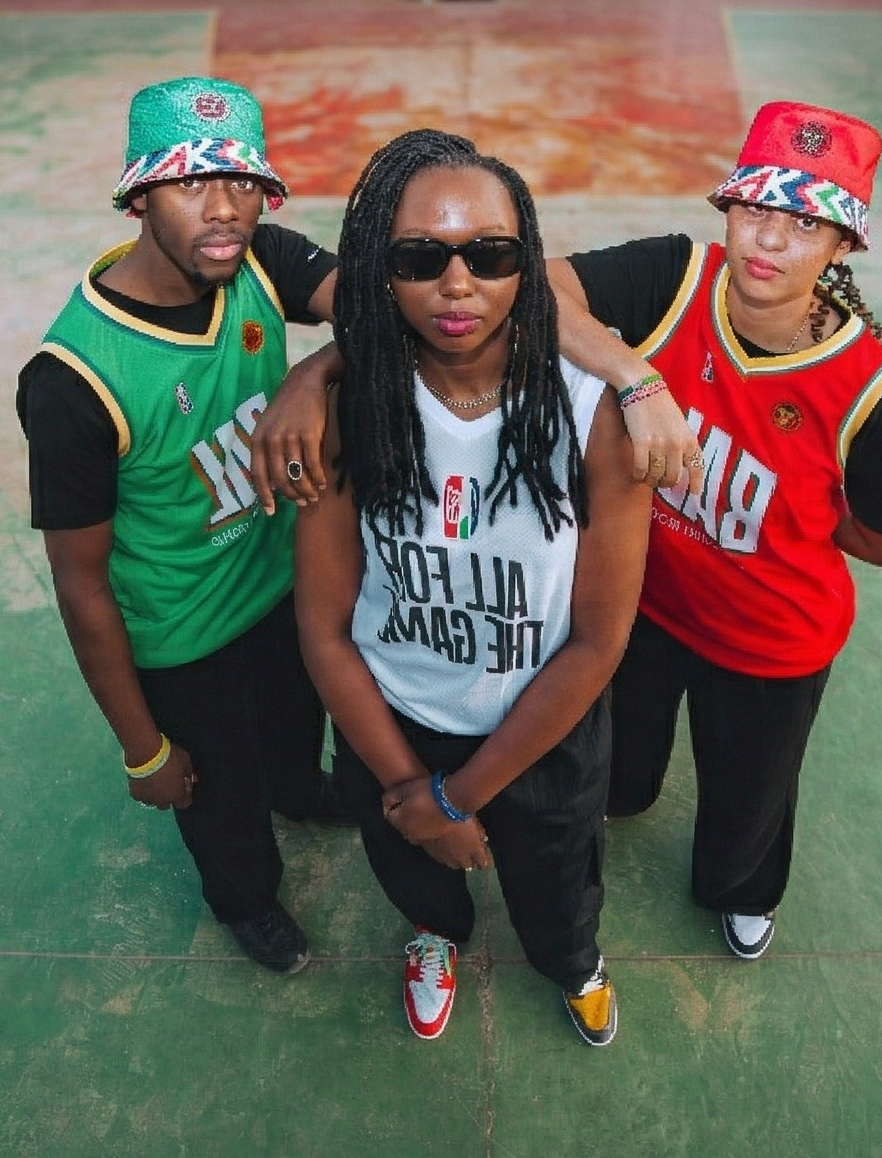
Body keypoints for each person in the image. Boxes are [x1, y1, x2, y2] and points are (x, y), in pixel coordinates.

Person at [292, 130, 652, 1046]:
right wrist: (415, 788)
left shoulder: (594, 413)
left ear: (526, 266)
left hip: (545, 721)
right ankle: (432, 934)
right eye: (421, 258)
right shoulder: (348, 410)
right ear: (381, 271)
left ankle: (574, 962)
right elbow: (328, 632)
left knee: (559, 881)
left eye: (489, 255)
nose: (458, 286)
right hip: (394, 714)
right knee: (412, 864)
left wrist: (458, 799)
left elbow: (597, 643)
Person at [557, 102, 882, 961]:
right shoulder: (676, 278)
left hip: (771, 640)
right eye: (757, 209)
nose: (768, 241)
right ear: (727, 209)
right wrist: (635, 378)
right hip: (647, 603)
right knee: (619, 775)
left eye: (804, 223)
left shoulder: (875, 399)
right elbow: (534, 285)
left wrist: (790, 517)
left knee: (748, 800)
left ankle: (743, 891)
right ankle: (621, 800)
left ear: (843, 248)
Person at [16, 78, 342, 975]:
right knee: (219, 798)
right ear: (139, 195)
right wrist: (141, 748)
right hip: (184, 637)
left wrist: (309, 379)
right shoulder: (76, 378)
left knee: (293, 735)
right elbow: (82, 588)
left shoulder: (261, 260)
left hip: (278, 580)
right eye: (192, 184)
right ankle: (244, 900)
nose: (225, 208)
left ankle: (302, 790)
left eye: (241, 182)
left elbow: (377, 310)